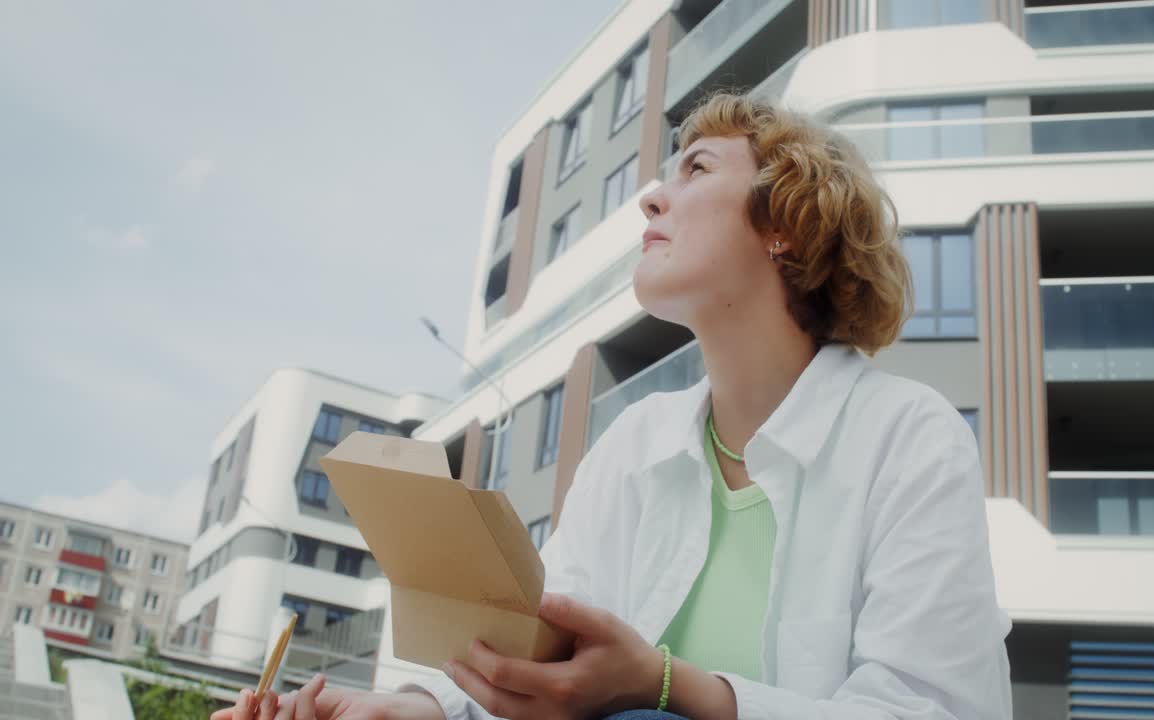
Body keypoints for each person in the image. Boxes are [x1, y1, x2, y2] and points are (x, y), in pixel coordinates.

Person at [215, 91, 1012, 720]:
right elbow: (547, 649)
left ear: (788, 227)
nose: (652, 200)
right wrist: (409, 708)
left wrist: (667, 685)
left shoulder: (910, 437)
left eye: (696, 169)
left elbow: (930, 709)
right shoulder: (638, 440)